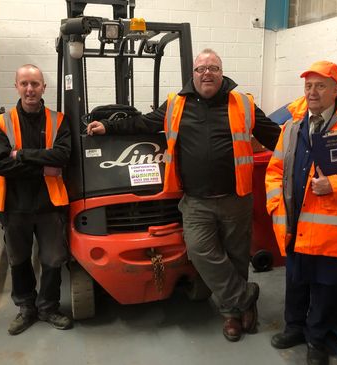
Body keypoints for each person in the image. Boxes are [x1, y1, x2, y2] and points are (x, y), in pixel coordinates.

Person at [87, 49, 281, 341]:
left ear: (221, 72)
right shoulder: (176, 104)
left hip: (235, 198)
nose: (207, 73)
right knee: (200, 251)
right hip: (196, 201)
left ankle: (233, 313)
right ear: (193, 74)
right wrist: (109, 126)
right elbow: (144, 122)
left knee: (237, 256)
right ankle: (245, 296)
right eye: (202, 68)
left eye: (213, 68)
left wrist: (304, 149)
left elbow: (274, 137)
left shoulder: (243, 103)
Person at [266, 60, 337, 365]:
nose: (312, 92)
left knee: (326, 286)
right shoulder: (294, 124)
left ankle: (316, 340)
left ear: (336, 89)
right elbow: (275, 168)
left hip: (335, 230)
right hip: (296, 223)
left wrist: (336, 185)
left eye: (320, 86)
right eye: (308, 86)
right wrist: (275, 203)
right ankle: (294, 328)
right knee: (296, 280)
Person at [0, 64, 73, 335]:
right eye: (24, 83)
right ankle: (26, 308)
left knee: (52, 259)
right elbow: (0, 165)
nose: (30, 89)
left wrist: (21, 155)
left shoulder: (58, 120)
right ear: (16, 86)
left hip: (50, 205)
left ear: (43, 88)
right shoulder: (1, 122)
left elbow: (62, 157)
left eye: (35, 84)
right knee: (19, 260)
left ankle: (48, 307)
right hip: (14, 206)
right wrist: (42, 166)